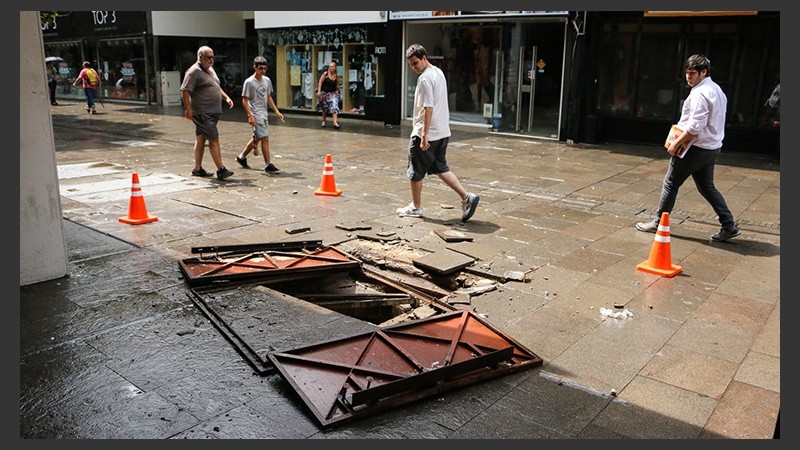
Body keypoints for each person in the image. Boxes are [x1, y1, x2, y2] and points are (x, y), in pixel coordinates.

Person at [636, 54, 739, 242]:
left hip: (695, 147)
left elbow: (694, 128)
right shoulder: (716, 90)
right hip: (712, 147)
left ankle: (659, 221)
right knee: (707, 187)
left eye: (692, 73)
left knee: (671, 183)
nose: (688, 77)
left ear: (704, 72)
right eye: (687, 73)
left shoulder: (700, 93)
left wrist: (676, 143)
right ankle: (729, 225)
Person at [396, 44, 480, 222]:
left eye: (416, 63)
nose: (413, 67)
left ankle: (416, 206)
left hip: (427, 133)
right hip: (442, 132)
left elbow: (428, 108)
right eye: (411, 64)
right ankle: (467, 198)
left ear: (424, 57)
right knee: (441, 168)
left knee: (415, 171)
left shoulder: (425, 79)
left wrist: (424, 136)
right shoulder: (438, 72)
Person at [180, 45, 235, 181]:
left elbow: (216, 86)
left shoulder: (210, 70)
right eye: (208, 57)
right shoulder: (194, 72)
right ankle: (221, 169)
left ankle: (197, 169)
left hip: (211, 111)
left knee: (201, 138)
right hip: (204, 112)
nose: (211, 60)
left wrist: (226, 97)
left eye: (212, 57)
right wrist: (188, 109)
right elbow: (185, 90)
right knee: (213, 138)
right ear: (200, 57)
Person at [234, 56, 284, 174]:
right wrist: (250, 115)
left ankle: (242, 157)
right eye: (261, 68)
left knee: (258, 137)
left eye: (265, 68)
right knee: (265, 138)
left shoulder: (266, 80)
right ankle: (268, 164)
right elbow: (244, 100)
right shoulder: (249, 82)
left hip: (264, 113)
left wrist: (276, 111)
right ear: (255, 67)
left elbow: (268, 96)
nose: (263, 71)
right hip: (256, 113)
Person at [316, 61, 341, 129]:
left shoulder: (336, 76)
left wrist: (338, 91)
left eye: (332, 66)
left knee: (334, 106)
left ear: (335, 68)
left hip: (333, 94)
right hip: (325, 94)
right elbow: (320, 82)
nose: (330, 68)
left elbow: (338, 84)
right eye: (329, 66)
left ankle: (335, 122)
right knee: (325, 109)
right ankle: (324, 120)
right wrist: (319, 91)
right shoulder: (325, 74)